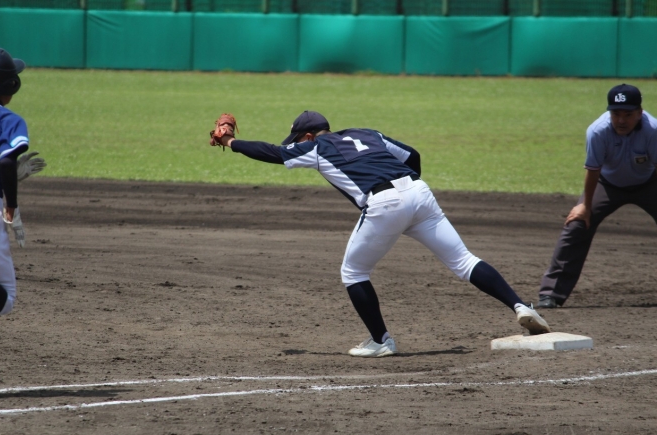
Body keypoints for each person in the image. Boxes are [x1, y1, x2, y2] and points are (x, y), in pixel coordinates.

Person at [210, 110, 551, 357]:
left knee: (353, 272)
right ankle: (522, 306)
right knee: (464, 261)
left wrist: (230, 139)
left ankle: (380, 341)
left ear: (309, 137)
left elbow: (273, 153)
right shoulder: (368, 133)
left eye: (298, 141)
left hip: (384, 203)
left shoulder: (316, 147)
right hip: (418, 192)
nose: (297, 146)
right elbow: (412, 155)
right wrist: (408, 198)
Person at [538, 84, 657, 309]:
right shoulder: (598, 131)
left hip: (649, 183)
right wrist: (585, 205)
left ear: (640, 113)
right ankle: (551, 294)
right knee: (577, 225)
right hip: (607, 184)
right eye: (616, 114)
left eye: (628, 114)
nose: (621, 120)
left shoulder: (653, 130)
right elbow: (593, 171)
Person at [0, 47, 35, 316]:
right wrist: (12, 204)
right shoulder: (7, 119)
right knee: (5, 301)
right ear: (10, 84)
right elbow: (6, 161)